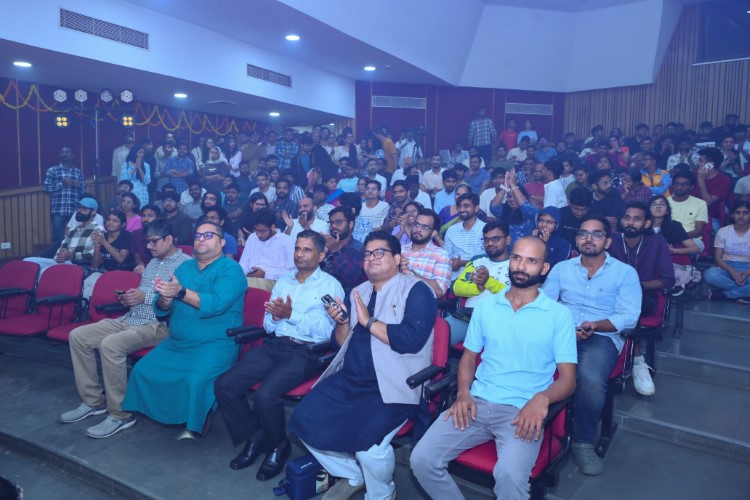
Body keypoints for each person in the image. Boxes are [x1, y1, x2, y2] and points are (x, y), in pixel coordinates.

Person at [411, 236, 576, 500]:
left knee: (509, 478)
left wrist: (542, 399)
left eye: (531, 261)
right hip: (476, 402)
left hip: (522, 410)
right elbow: (468, 358)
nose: (521, 266)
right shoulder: (487, 306)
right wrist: (463, 392)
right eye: (517, 258)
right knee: (422, 459)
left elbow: (568, 380)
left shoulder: (559, 315)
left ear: (544, 268)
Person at [288, 231, 437, 500]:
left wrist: (368, 322)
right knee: (303, 420)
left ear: (397, 258)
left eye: (380, 252)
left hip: (392, 384)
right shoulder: (358, 291)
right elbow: (339, 344)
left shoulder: (417, 290)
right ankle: (353, 475)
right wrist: (343, 322)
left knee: (370, 448)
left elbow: (411, 339)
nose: (372, 258)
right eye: (367, 254)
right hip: (351, 379)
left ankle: (382, 493)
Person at [215, 230, 343, 479]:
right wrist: (275, 317)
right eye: (297, 248)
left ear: (321, 255)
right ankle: (256, 436)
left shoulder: (330, 285)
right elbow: (268, 325)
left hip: (307, 351)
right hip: (275, 344)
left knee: (265, 395)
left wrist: (290, 315)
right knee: (225, 384)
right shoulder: (284, 281)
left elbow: (327, 332)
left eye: (307, 250)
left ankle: (278, 446)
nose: (300, 254)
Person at [60, 220, 191, 438]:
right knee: (78, 336)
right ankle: (93, 402)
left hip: (159, 324)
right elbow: (143, 293)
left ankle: (120, 414)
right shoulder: (152, 262)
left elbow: (182, 300)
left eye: (153, 242)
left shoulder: (186, 265)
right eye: (147, 242)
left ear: (169, 239)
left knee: (111, 345)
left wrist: (144, 297)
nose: (148, 246)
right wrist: (130, 297)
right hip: (131, 317)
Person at [123, 221, 247, 438]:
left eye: (208, 235)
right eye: (198, 235)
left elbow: (216, 304)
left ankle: (199, 415)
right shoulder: (184, 268)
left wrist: (179, 292)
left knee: (195, 381)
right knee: (142, 370)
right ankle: (170, 413)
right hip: (178, 342)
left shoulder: (231, 270)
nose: (201, 239)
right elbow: (162, 308)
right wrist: (166, 298)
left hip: (215, 344)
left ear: (222, 243)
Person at [543, 215, 641, 476]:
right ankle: (536, 425)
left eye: (596, 234)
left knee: (589, 376)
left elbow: (629, 317)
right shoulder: (561, 268)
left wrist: (594, 325)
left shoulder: (625, 273)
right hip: (562, 331)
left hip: (602, 335)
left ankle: (583, 441)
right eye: (583, 233)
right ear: (576, 240)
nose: (588, 239)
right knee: (529, 359)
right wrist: (566, 329)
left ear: (607, 241)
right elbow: (546, 305)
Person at [608, 203, 676, 396]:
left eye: (636, 219)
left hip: (645, 297)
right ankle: (632, 359)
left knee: (629, 306)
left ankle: (637, 361)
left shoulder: (656, 242)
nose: (630, 222)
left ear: (646, 223)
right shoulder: (611, 240)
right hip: (611, 296)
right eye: (627, 217)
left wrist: (638, 286)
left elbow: (667, 280)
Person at [447, 220, 512, 344]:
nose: (490, 243)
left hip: (499, 320)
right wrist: (478, 288)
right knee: (438, 334)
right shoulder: (477, 261)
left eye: (495, 239)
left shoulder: (516, 264)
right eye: (486, 240)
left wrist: (488, 281)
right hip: (468, 318)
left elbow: (513, 295)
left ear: (508, 240)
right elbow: (456, 288)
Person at [26, 197, 103, 273]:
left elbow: (94, 255)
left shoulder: (97, 230)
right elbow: (61, 248)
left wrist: (72, 256)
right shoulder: (73, 230)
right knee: (29, 261)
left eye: (84, 209)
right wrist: (59, 256)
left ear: (93, 212)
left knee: (44, 271)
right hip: (63, 262)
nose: (79, 211)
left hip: (79, 266)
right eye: (79, 208)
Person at [238, 208, 295, 292]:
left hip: (274, 282)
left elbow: (292, 273)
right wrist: (240, 275)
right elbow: (244, 263)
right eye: (256, 230)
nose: (259, 235)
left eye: (262, 231)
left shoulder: (287, 241)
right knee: (231, 281)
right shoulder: (252, 238)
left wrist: (266, 274)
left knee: (241, 285)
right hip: (249, 278)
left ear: (272, 227)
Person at [704, 201, 750, 304]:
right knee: (710, 275)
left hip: (748, 269)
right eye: (738, 212)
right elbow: (718, 258)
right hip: (727, 267)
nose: (741, 216)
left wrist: (746, 274)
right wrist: (732, 271)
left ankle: (725, 294)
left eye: (745, 213)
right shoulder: (723, 231)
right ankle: (743, 293)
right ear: (732, 215)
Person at [42, 146, 84, 257]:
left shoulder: (78, 172)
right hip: (58, 210)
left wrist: (79, 186)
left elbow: (83, 191)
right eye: (62, 152)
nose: (64, 154)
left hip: (74, 210)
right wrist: (62, 184)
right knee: (57, 237)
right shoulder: (53, 170)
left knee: (75, 236)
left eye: (67, 152)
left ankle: (73, 258)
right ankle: (55, 259)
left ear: (73, 155)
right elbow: (46, 189)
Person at [400, 209, 452, 297]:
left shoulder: (441, 255)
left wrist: (411, 274)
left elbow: (439, 291)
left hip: (420, 302)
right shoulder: (400, 250)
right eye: (416, 224)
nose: (418, 229)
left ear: (433, 233)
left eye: (425, 227)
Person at [321, 207, 367, 297]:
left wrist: (335, 251)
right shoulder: (326, 246)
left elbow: (353, 278)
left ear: (350, 224)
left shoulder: (360, 249)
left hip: (346, 298)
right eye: (331, 223)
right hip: (320, 293)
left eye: (338, 222)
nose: (333, 226)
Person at [490, 169, 540, 245]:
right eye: (509, 196)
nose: (512, 199)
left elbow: (526, 208)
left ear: (524, 197)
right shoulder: (504, 210)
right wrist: (505, 187)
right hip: (506, 250)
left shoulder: (530, 211)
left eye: (515, 197)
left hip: (524, 249)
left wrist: (513, 184)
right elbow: (493, 207)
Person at [445, 193, 487, 279]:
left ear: (476, 208)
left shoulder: (486, 230)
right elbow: (447, 255)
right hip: (454, 278)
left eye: (466, 206)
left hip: (479, 278)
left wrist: (462, 263)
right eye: (459, 206)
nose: (462, 209)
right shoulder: (452, 230)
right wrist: (452, 262)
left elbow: (487, 260)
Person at [668, 171, 708, 252]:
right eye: (676, 184)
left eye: (684, 184)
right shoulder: (665, 202)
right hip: (668, 238)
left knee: (696, 247)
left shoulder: (700, 203)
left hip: (692, 239)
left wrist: (679, 237)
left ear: (691, 187)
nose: (679, 187)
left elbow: (698, 231)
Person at [694, 147, 732, 231]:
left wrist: (701, 180)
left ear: (710, 165)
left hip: (711, 217)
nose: (697, 163)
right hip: (691, 214)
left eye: (700, 161)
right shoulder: (693, 175)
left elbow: (708, 201)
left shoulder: (724, 180)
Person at [131, 204, 160, 273]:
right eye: (143, 216)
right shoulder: (136, 234)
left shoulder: (164, 234)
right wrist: (140, 263)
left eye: (150, 216)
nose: (145, 219)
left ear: (158, 219)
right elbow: (136, 254)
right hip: (142, 270)